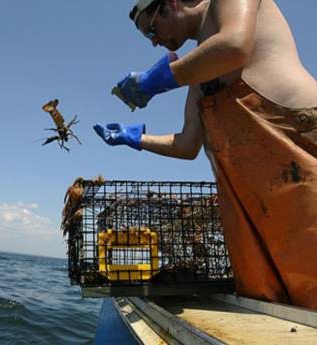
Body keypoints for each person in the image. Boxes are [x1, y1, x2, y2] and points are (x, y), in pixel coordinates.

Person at [94, 0, 317, 310]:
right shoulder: (200, 73)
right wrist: (135, 139)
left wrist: (156, 80)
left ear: (170, 4)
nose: (155, 42)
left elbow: (234, 46)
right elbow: (187, 145)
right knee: (277, 293)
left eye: (152, 30)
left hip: (301, 142)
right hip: (257, 185)